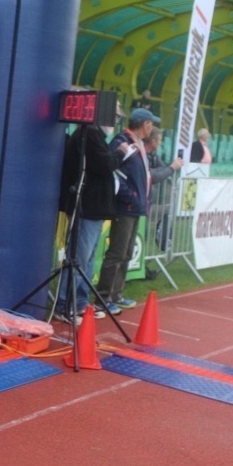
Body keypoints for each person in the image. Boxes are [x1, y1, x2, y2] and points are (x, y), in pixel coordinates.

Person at [53, 115, 120, 324]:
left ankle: (80, 303)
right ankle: (65, 305)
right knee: (79, 258)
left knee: (88, 259)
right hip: (86, 207)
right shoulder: (88, 135)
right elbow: (104, 164)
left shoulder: (94, 136)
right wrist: (120, 153)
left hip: (94, 209)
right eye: (115, 117)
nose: (115, 122)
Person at [95, 107, 155, 313]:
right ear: (145, 124)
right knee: (117, 252)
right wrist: (131, 196)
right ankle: (103, 297)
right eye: (151, 123)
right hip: (125, 206)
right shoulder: (122, 141)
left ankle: (116, 293)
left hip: (135, 207)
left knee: (127, 253)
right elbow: (113, 173)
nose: (152, 128)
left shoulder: (138, 144)